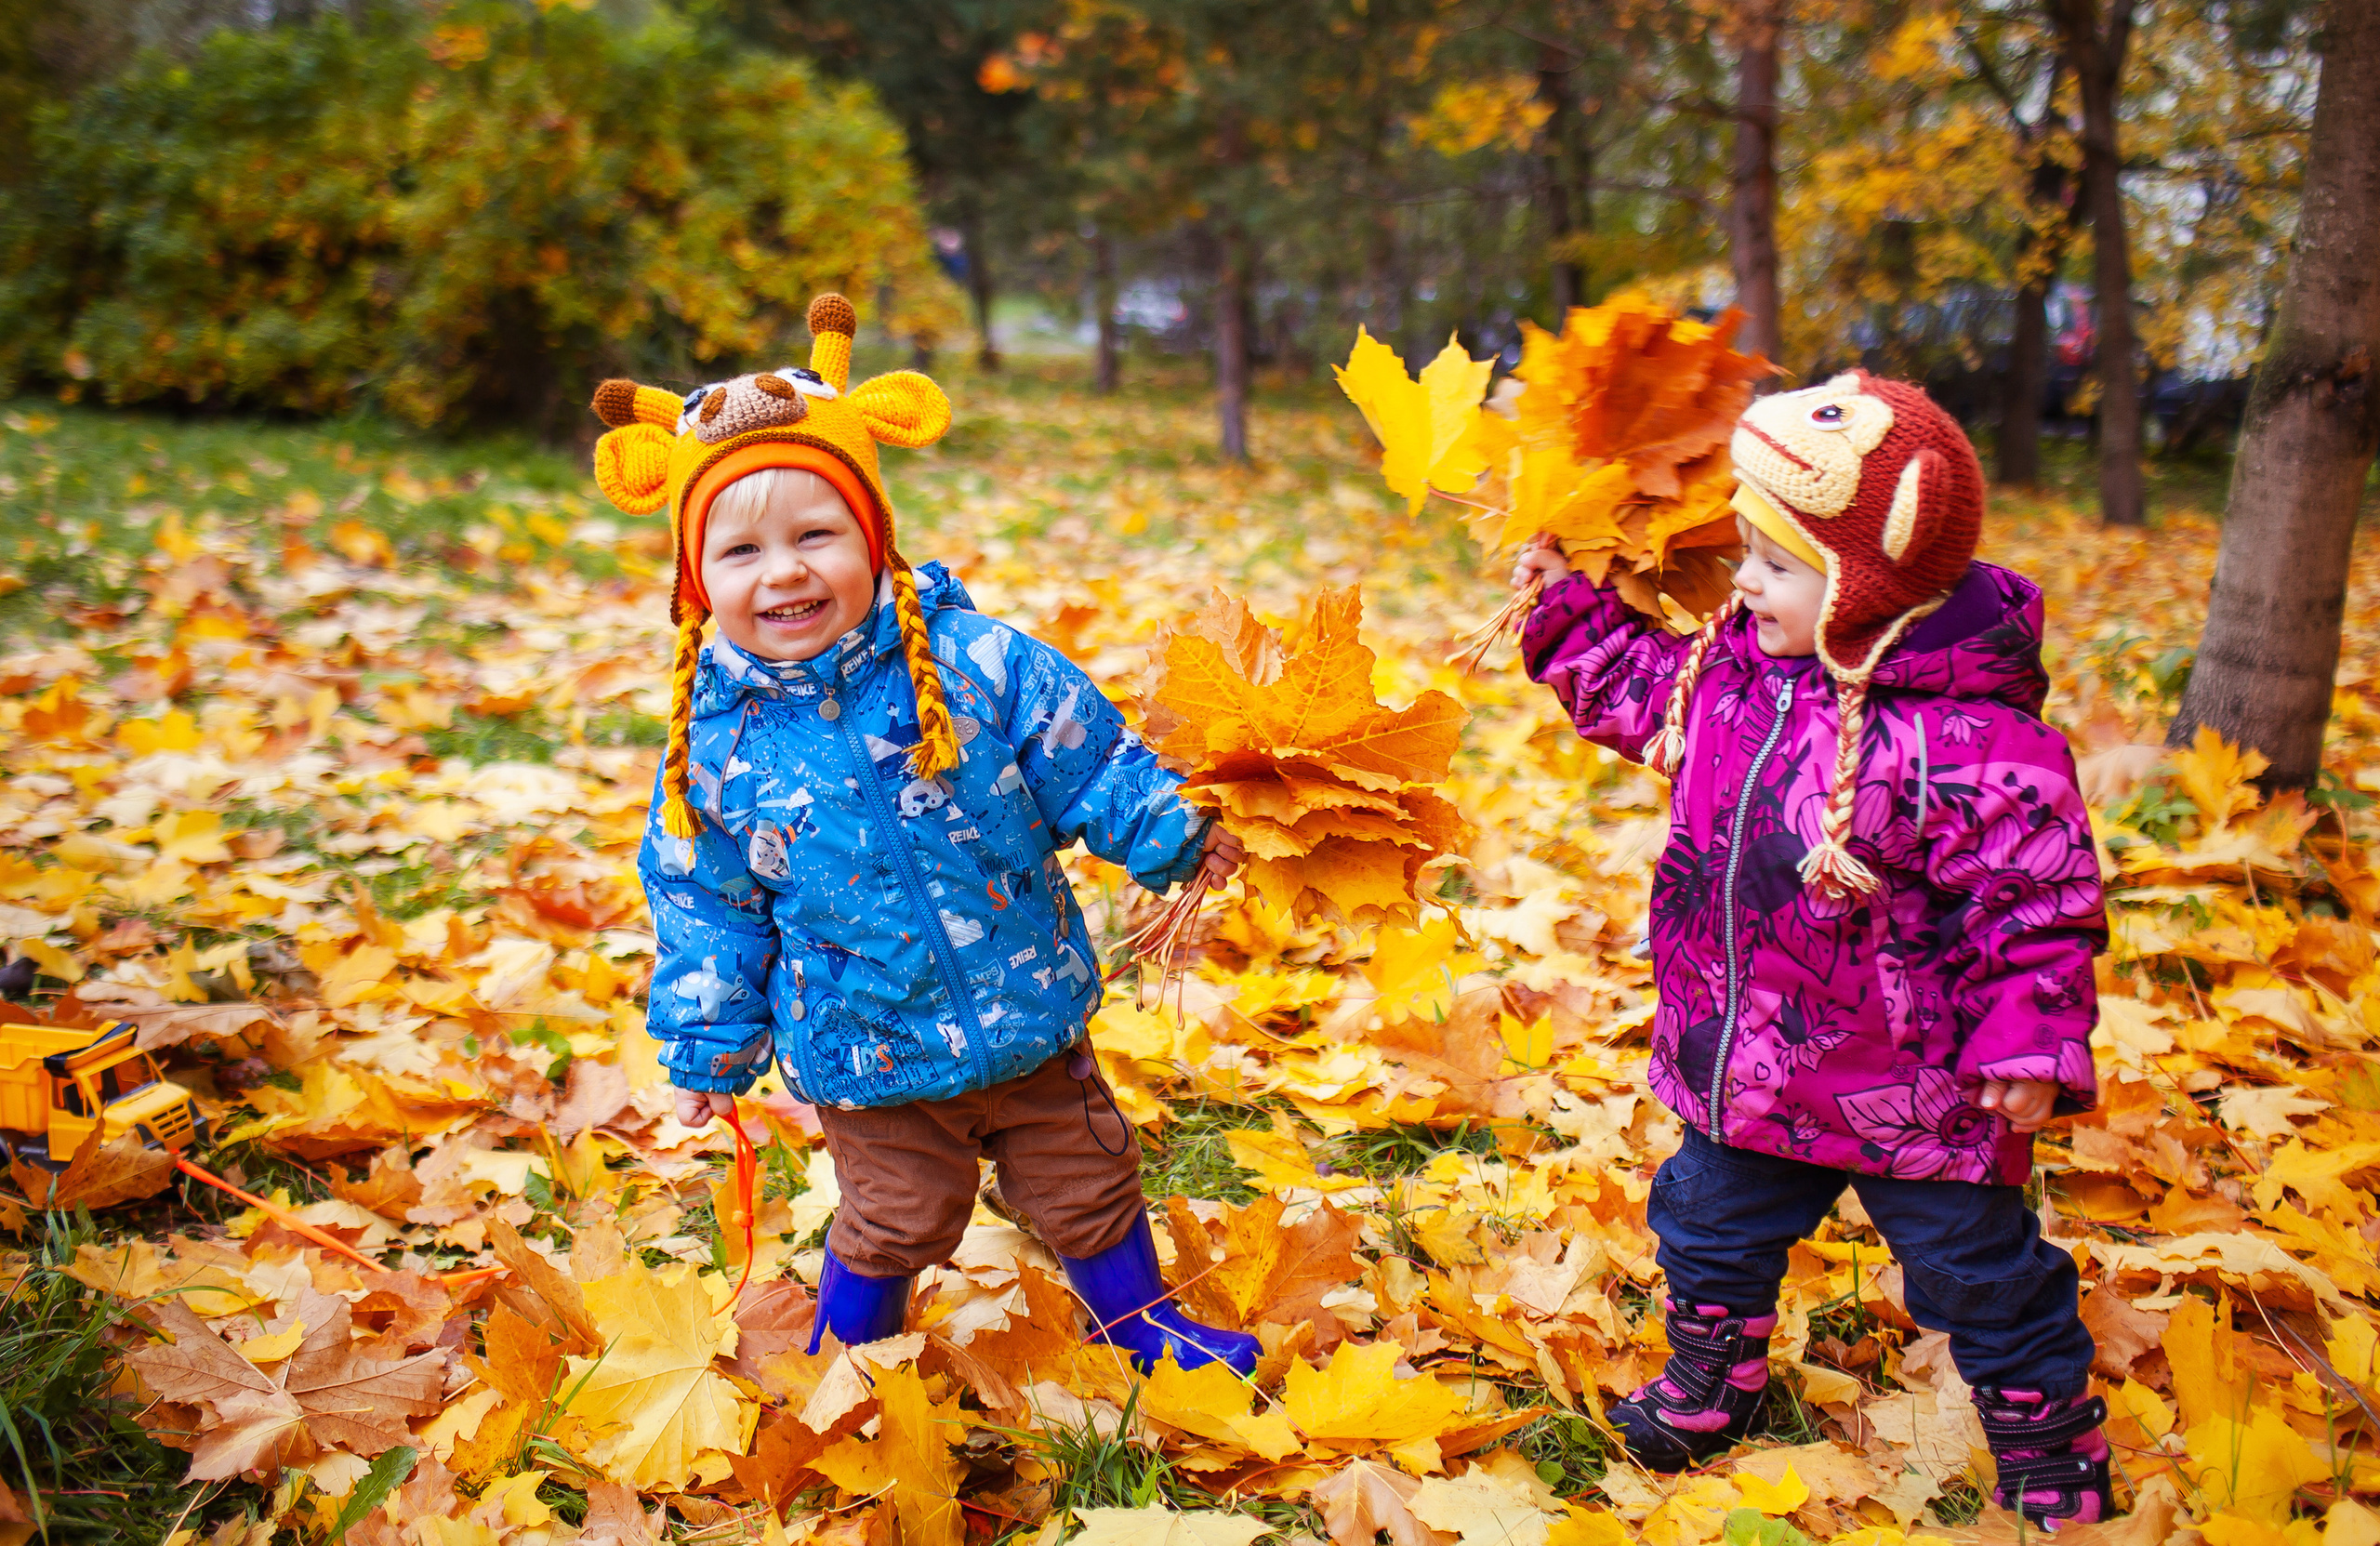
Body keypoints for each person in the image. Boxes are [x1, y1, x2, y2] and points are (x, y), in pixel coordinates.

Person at [588, 294, 1258, 1375]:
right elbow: (706, 903)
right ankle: (850, 1359)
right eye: (742, 552)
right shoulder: (713, 749)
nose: (785, 572)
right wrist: (710, 1044)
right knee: (899, 1214)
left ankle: (1138, 1325)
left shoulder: (976, 663)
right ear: (696, 582)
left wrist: (1169, 835)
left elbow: (1086, 756)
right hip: (871, 1045)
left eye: (816, 533)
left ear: (873, 535)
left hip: (1029, 1005)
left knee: (1089, 1177)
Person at [1513, 372, 2109, 1527]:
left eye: (1775, 563)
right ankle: (1710, 1379)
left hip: (1916, 1092)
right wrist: (1570, 609)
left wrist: (2030, 1045)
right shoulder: (1737, 674)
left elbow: (2035, 904)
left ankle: (2045, 1442)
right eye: (1745, 549)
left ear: (1864, 581)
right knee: (1703, 1221)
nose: (1742, 581)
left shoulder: (1970, 737)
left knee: (1977, 1272)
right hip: (1746, 1065)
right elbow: (1638, 693)